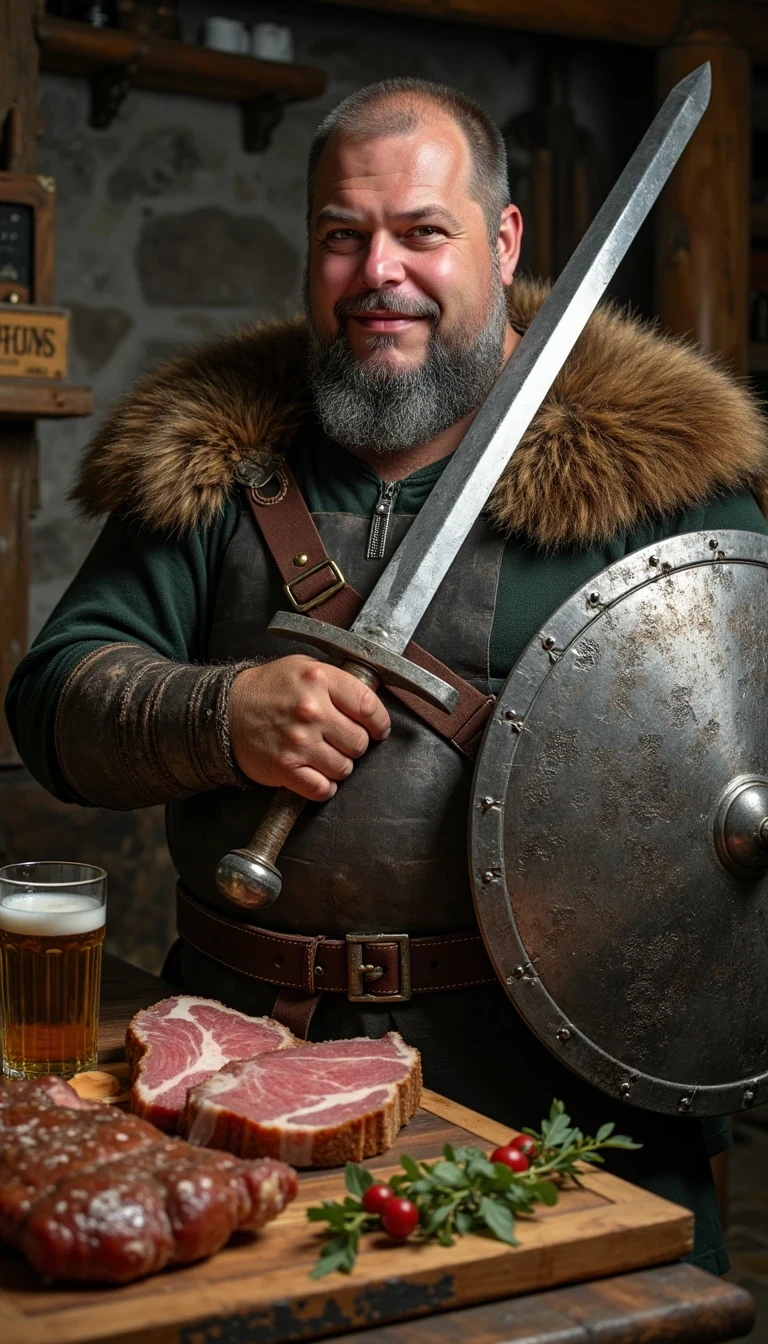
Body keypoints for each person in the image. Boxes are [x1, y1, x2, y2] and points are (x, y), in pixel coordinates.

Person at [7, 78, 768, 1275]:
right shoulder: (213, 462)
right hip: (250, 1085)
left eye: (423, 231)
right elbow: (52, 701)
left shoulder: (661, 487)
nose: (380, 273)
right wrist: (218, 714)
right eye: (343, 235)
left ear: (503, 241)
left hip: (558, 1105)